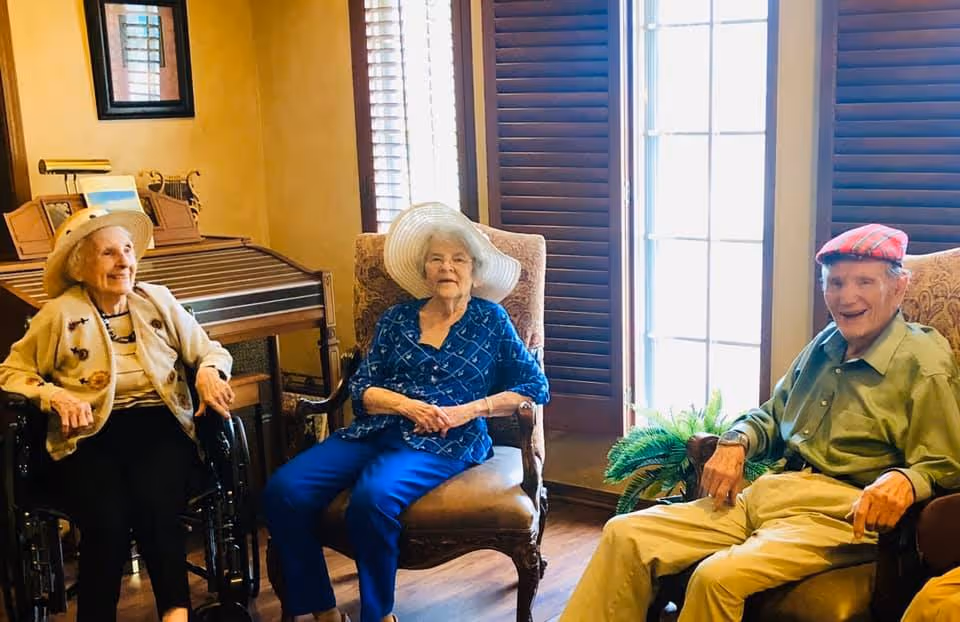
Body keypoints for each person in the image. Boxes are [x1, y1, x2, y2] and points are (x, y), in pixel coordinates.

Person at [560, 224, 960, 621]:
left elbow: (947, 463)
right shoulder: (826, 344)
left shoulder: (923, 362)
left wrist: (906, 480)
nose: (846, 297)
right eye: (835, 282)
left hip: (838, 516)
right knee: (625, 533)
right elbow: (773, 415)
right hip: (770, 495)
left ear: (899, 287)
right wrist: (735, 441)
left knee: (716, 578)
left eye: (864, 282)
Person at [263, 202, 550, 622]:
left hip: (445, 440)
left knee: (372, 499)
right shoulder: (397, 319)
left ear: (474, 269)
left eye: (458, 259)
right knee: (283, 491)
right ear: (424, 269)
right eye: (436, 259)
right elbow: (361, 388)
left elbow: (534, 387)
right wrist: (404, 404)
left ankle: (379, 615)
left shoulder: (492, 320)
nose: (446, 268)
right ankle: (323, 610)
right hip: (376, 429)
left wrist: (467, 411)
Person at [0, 207, 235, 622]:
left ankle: (176, 615)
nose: (124, 261)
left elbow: (210, 350)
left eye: (127, 250)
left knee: (156, 503)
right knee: (104, 517)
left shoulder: (157, 300)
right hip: (87, 434)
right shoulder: (58, 314)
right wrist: (56, 396)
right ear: (81, 264)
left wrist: (209, 374)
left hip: (160, 424)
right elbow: (12, 371)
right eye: (109, 253)